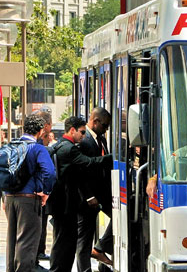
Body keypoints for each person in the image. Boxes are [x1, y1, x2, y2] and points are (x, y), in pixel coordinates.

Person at [48, 116, 112, 272]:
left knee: (65, 240)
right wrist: (111, 158)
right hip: (66, 203)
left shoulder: (59, 146)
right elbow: (88, 163)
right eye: (82, 132)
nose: (83, 136)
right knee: (65, 240)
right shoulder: (69, 148)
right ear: (72, 130)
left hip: (63, 203)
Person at [6, 114, 56, 272]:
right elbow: (50, 172)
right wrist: (46, 191)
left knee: (12, 239)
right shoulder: (38, 148)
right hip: (29, 199)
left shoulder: (11, 146)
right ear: (41, 131)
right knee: (27, 240)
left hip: (9, 197)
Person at [76, 108, 113, 271]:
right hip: (89, 197)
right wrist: (88, 196)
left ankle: (100, 248)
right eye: (105, 125)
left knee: (120, 216)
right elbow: (80, 172)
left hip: (103, 192)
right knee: (84, 237)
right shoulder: (84, 140)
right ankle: (85, 269)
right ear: (95, 121)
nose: (106, 129)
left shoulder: (101, 139)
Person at [35, 110, 53, 263]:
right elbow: (48, 171)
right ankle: (38, 252)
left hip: (29, 191)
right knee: (40, 224)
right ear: (46, 125)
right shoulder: (41, 144)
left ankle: (39, 251)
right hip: (40, 191)